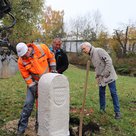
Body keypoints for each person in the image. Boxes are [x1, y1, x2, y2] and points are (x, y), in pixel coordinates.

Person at [16, 42, 56, 136]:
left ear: (28, 49)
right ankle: (21, 128)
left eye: (25, 54)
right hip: (34, 84)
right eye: (22, 56)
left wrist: (53, 68)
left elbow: (51, 57)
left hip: (47, 82)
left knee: (42, 106)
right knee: (28, 105)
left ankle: (39, 126)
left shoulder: (42, 48)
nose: (24, 57)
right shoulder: (21, 61)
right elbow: (26, 77)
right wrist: (33, 88)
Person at [80, 42, 121, 119]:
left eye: (84, 49)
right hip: (101, 77)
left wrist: (106, 73)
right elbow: (98, 66)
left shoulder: (99, 51)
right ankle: (102, 110)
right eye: (82, 49)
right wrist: (97, 76)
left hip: (109, 75)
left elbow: (109, 61)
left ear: (88, 47)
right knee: (101, 93)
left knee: (113, 93)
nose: (83, 51)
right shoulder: (91, 55)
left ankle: (117, 112)